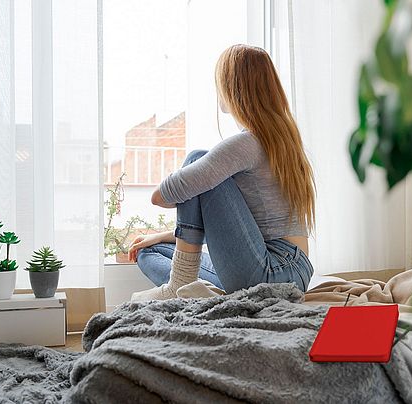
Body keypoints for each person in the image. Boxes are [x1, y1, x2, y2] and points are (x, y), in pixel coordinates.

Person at [129, 44, 315, 301]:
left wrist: (191, 183)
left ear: (232, 88)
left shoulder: (248, 143)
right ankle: (193, 288)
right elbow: (231, 231)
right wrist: (162, 236)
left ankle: (179, 286)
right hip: (289, 271)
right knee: (150, 251)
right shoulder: (281, 140)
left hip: (272, 271)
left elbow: (160, 197)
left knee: (198, 160)